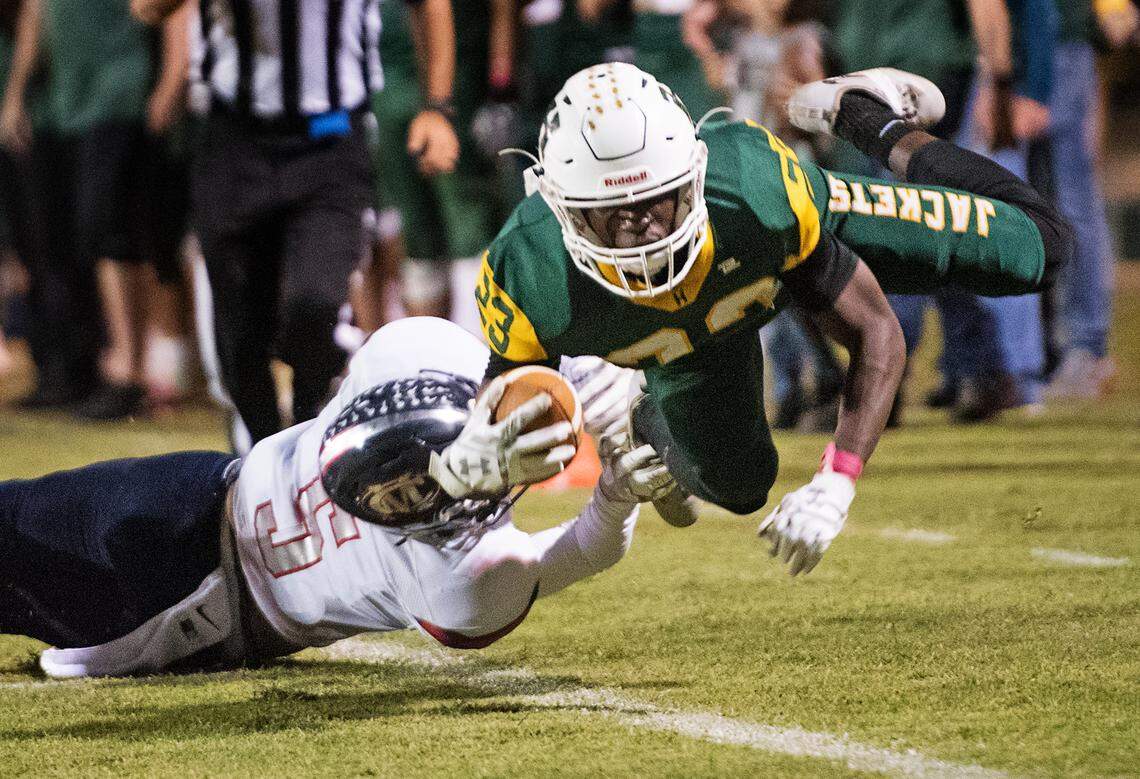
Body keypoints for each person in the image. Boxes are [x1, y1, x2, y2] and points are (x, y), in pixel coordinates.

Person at [476, 63, 1072, 574]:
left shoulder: (754, 195)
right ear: (561, 208)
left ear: (695, 173)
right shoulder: (529, 271)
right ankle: (647, 421)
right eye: (613, 212)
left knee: (1039, 247)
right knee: (739, 485)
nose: (646, 229)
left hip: (788, 251)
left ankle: (867, 117)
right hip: (696, 342)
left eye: (661, 198)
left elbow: (873, 329)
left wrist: (836, 481)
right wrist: (471, 464)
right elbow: (499, 416)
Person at [0, 317, 668, 678]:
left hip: (200, 593)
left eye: (417, 492)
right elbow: (584, 548)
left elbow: (574, 550)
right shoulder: (469, 578)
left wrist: (611, 481)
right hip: (207, 498)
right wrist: (584, 401)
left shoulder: (471, 581)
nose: (409, 492)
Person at [132, 0, 460, 447]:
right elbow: (147, 9)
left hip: (330, 142)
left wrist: (438, 107)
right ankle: (261, 447)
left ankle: (312, 426)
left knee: (316, 303)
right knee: (240, 333)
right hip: (233, 141)